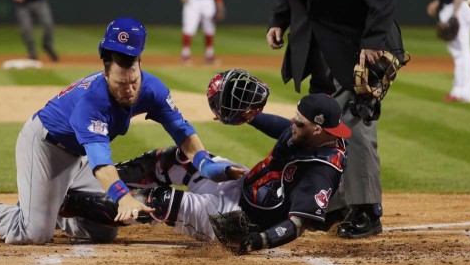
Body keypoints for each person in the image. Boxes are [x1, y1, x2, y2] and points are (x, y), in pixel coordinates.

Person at [0, 17, 242, 244]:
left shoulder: (151, 89)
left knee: (103, 231)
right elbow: (101, 162)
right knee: (33, 234)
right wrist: (123, 196)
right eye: (121, 82)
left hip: (76, 154)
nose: (129, 89)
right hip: (45, 147)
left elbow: (183, 132)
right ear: (105, 72)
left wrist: (205, 163)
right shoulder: (92, 103)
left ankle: (50, 203)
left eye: (133, 79)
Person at [58, 71, 351, 255]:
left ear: (318, 130)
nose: (292, 125)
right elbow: (281, 127)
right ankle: (91, 182)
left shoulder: (321, 172)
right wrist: (249, 115)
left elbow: (297, 224)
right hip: (241, 185)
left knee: (158, 202)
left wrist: (255, 241)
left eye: (299, 124)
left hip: (237, 216)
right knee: (176, 158)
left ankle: (64, 203)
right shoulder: (308, 133)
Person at [266, 0, 405, 239]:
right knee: (320, 125)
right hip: (314, 46)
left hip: (358, 45)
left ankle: (366, 211)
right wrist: (279, 20)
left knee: (353, 119)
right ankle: (336, 205)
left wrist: (373, 40)